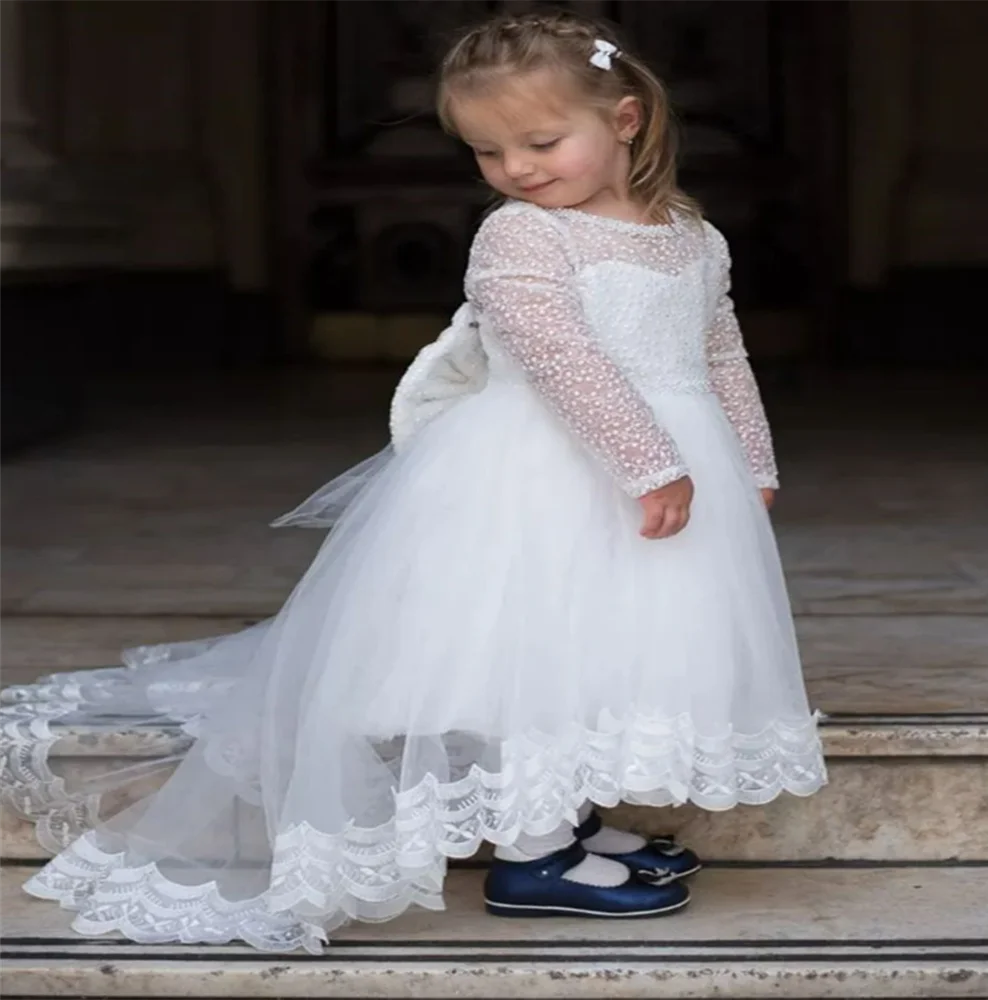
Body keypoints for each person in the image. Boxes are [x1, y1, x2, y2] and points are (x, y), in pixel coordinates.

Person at [0, 12, 826, 953]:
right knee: (530, 654)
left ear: (628, 119)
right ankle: (533, 854)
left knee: (613, 650)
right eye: (487, 151)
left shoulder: (690, 235)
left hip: (668, 466)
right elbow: (561, 359)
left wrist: (750, 460)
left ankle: (572, 814)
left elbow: (720, 354)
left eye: (542, 142)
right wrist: (649, 461)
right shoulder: (523, 239)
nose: (517, 167)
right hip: (550, 473)